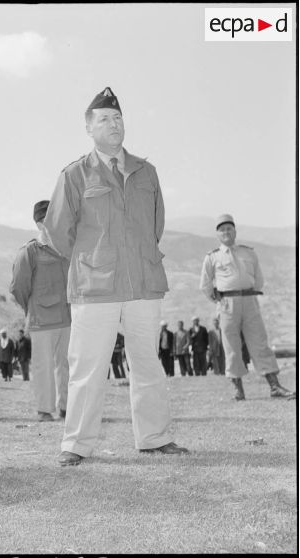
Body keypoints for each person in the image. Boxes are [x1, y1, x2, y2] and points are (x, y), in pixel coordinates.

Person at [43, 86, 189, 466]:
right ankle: (76, 445)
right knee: (88, 367)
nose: (114, 124)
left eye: (118, 118)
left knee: (147, 362)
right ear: (89, 128)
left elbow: (155, 225)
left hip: (143, 282)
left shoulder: (146, 171)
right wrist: (95, 259)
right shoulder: (74, 175)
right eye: (105, 119)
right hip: (95, 287)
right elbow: (58, 234)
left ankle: (154, 438)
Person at [200, 213, 295, 401]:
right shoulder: (212, 257)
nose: (226, 232)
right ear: (217, 235)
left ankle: (274, 386)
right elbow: (205, 285)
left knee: (260, 342)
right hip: (227, 304)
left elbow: (259, 280)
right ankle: (238, 390)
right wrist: (219, 301)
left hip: (250, 302)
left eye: (229, 228)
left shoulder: (248, 252)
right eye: (222, 230)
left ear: (235, 231)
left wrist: (248, 294)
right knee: (231, 347)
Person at [10, 200, 71, 421]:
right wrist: (33, 308)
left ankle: (66, 408)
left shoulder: (68, 248)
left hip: (68, 317)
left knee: (67, 365)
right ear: (38, 223)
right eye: (46, 218)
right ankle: (45, 410)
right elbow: (18, 287)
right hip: (41, 320)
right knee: (43, 367)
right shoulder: (30, 251)